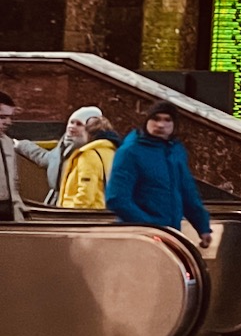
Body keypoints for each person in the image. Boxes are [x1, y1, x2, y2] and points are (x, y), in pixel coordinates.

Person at [106, 102, 212, 248]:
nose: (161, 125)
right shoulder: (130, 152)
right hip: (139, 239)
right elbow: (117, 198)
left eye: (167, 120)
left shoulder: (176, 151)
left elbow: (187, 192)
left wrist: (202, 226)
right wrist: (151, 228)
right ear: (146, 121)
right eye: (155, 119)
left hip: (169, 236)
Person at [15, 105, 102, 206]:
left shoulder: (88, 154)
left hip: (74, 210)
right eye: (71, 122)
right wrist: (20, 145)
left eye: (79, 124)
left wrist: (74, 212)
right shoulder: (63, 148)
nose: (72, 126)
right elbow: (45, 157)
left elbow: (86, 193)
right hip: (57, 204)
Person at [58, 112, 121, 211]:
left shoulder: (89, 155)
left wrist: (71, 210)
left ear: (88, 133)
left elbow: (86, 193)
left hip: (83, 214)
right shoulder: (112, 151)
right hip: (104, 210)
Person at [0, 91, 25, 221]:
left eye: (10, 117)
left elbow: (13, 182)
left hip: (8, 210)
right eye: (2, 117)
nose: (8, 122)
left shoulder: (8, 143)